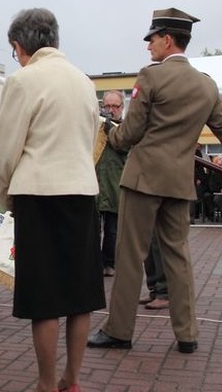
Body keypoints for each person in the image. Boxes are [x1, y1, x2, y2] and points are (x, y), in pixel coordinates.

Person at [87, 8, 222, 355]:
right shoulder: (206, 85)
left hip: (142, 180)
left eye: (152, 38)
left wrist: (111, 131)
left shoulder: (150, 78)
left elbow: (130, 134)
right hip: (179, 183)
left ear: (167, 39)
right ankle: (187, 334)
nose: (148, 46)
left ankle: (119, 329)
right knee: (179, 258)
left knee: (129, 256)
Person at [0, 9, 105, 392]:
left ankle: (44, 383)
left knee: (44, 297)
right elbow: (92, 140)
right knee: (79, 294)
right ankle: (71, 380)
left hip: (37, 194)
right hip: (81, 191)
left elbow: (6, 149)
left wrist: (5, 195)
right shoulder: (84, 82)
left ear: (19, 46)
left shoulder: (23, 80)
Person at [95, 90, 127, 277]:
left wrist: (110, 128)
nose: (110, 109)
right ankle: (95, 263)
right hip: (96, 184)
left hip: (116, 184)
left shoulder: (125, 128)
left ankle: (110, 263)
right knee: (94, 229)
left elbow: (125, 147)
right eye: (107, 106)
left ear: (122, 108)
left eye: (115, 106)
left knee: (113, 230)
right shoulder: (96, 127)